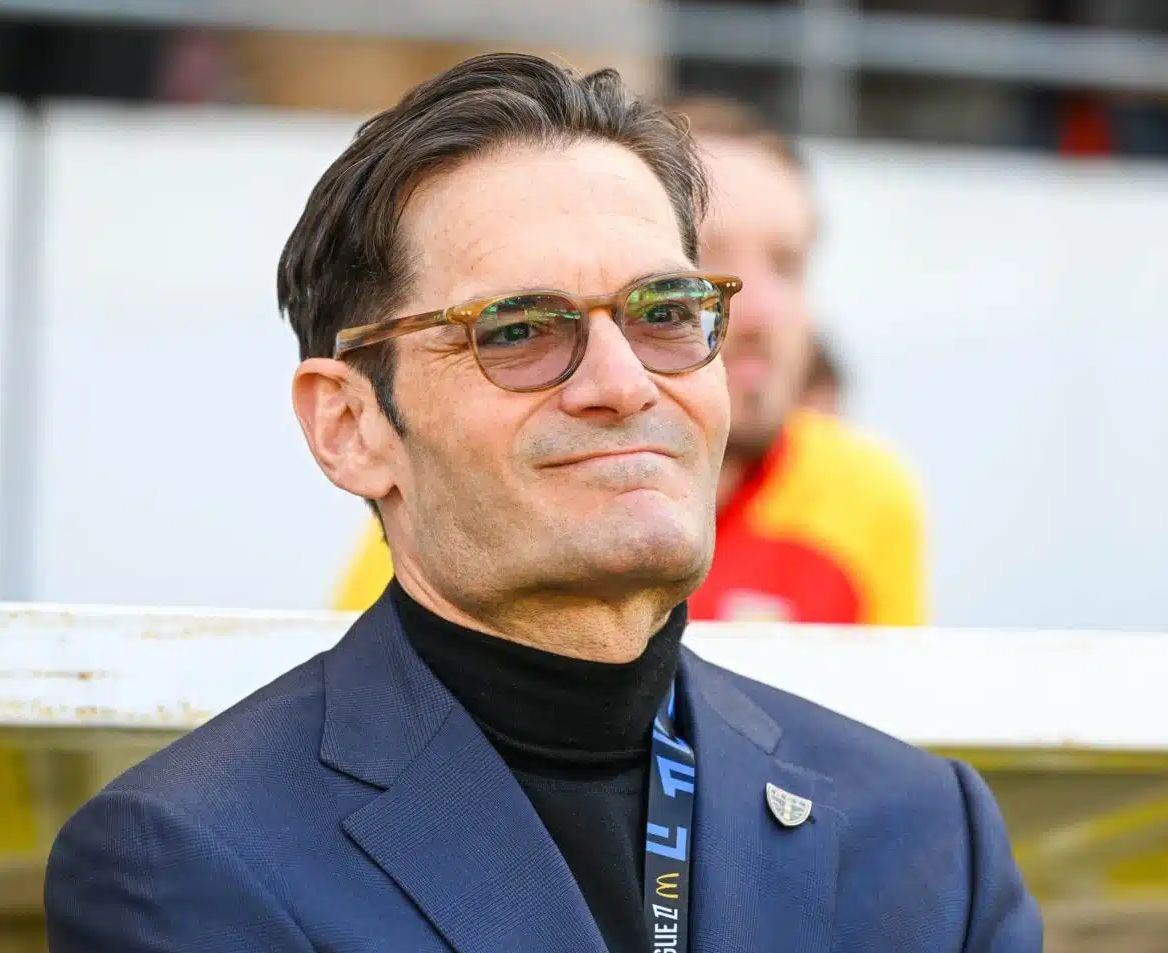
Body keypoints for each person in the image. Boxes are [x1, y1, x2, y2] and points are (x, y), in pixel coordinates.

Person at [45, 54, 1057, 953]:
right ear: (351, 426)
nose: (624, 383)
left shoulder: (928, 838)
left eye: (666, 312)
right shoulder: (193, 860)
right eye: (520, 329)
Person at [337, 95, 928, 627]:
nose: (760, 312)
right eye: (697, 272)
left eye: (788, 264)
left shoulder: (864, 492)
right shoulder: (465, 497)